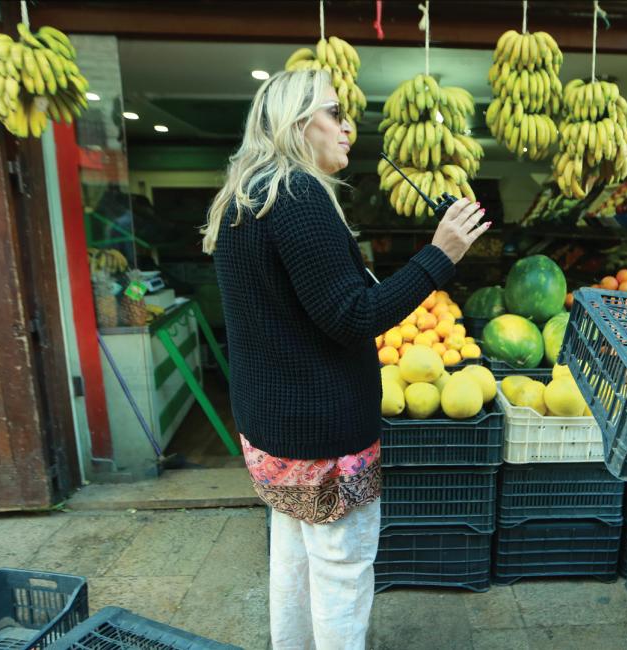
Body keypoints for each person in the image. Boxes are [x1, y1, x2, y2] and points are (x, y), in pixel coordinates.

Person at [200, 69, 490, 649]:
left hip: (274, 429)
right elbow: (353, 316)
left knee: (292, 558)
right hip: (322, 434)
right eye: (334, 112)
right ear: (297, 121)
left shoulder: (247, 194)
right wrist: (441, 255)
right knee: (341, 569)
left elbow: (307, 308)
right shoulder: (298, 195)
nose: (348, 126)